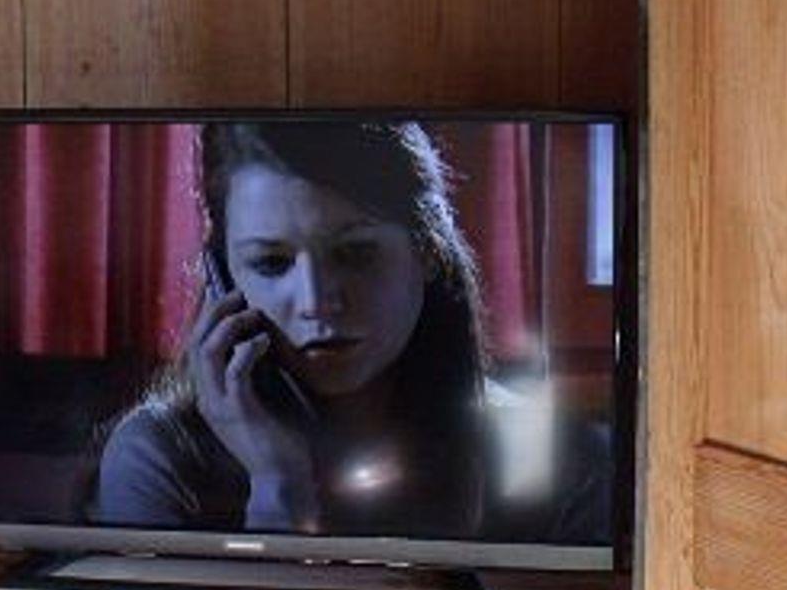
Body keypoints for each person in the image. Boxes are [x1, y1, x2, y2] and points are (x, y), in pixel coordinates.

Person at [92, 120, 492, 536]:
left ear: (428, 251)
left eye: (355, 253)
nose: (314, 302)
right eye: (271, 263)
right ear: (222, 276)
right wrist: (277, 485)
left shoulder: (513, 442)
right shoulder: (159, 453)